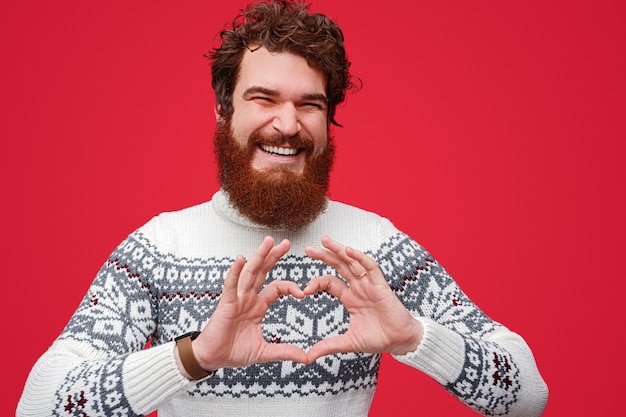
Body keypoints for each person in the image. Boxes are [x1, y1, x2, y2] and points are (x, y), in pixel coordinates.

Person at [17, 1, 548, 416]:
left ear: (327, 121)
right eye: (264, 99)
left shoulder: (374, 249)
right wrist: (195, 356)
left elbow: (527, 395)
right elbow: (39, 405)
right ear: (224, 112)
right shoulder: (159, 250)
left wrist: (415, 337)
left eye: (309, 105)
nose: (288, 125)